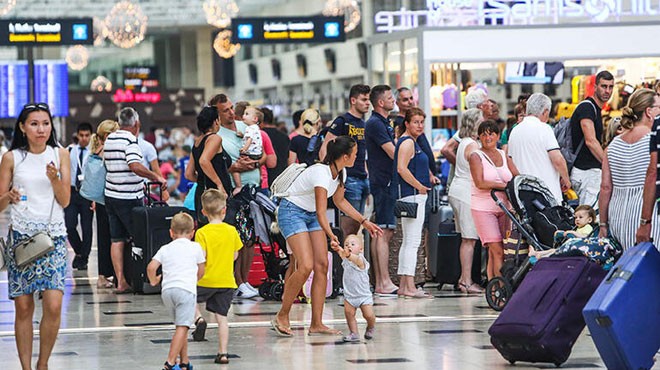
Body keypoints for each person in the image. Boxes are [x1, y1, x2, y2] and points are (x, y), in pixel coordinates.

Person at [271, 136, 382, 337]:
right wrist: (331, 235)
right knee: (305, 265)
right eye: (355, 154)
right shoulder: (321, 174)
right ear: (346, 156)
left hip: (311, 214)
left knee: (322, 265)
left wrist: (364, 221)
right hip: (292, 211)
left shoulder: (341, 173)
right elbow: (323, 213)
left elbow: (340, 202)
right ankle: (282, 315)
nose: (357, 157)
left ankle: (316, 323)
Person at [0, 102, 71, 370]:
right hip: (22, 239)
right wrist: (8, 196)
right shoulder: (11, 157)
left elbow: (65, 200)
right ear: (22, 127)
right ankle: (26, 367)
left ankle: (43, 363)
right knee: (24, 308)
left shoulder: (60, 153)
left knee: (53, 304)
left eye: (45, 123)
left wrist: (54, 179)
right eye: (34, 124)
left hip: (53, 238)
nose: (41, 129)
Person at [104, 107, 166, 294]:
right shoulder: (131, 141)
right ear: (136, 124)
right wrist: (156, 176)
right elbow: (135, 166)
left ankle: (121, 281)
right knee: (140, 238)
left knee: (116, 239)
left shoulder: (109, 139)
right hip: (129, 197)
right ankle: (144, 280)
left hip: (110, 195)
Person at [209, 93, 264, 299]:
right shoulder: (217, 136)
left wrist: (255, 163)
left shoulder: (246, 127)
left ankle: (245, 280)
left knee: (250, 237)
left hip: (253, 188)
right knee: (237, 239)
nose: (232, 113)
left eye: (232, 108)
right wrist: (236, 166)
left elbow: (265, 154)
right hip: (234, 191)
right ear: (217, 115)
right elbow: (220, 165)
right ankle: (235, 280)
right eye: (225, 110)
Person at [597, 89, 660, 250]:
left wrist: (603, 224)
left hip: (617, 216)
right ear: (649, 112)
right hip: (646, 216)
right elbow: (652, 176)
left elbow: (605, 188)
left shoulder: (613, 146)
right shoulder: (653, 142)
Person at [147, 212, 205, 370]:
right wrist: (195, 280)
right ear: (193, 232)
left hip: (167, 292)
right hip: (185, 290)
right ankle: (170, 362)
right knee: (183, 326)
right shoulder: (195, 247)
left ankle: (184, 361)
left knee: (180, 325)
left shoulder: (165, 248)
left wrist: (154, 281)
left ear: (171, 232)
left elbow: (151, 267)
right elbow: (201, 270)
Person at [192, 189, 242, 365]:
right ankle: (223, 353)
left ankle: (198, 318)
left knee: (190, 298)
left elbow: (201, 257)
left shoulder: (202, 233)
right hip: (226, 280)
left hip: (205, 279)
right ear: (224, 210)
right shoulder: (231, 231)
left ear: (203, 212)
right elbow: (236, 256)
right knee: (222, 318)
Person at [470, 120, 519, 280]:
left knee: (499, 251)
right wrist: (503, 186)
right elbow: (480, 182)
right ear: (479, 137)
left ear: (498, 136)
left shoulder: (504, 155)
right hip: (483, 208)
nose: (487, 137)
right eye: (483, 134)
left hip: (504, 208)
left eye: (491, 133)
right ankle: (501, 288)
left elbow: (516, 176)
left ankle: (493, 287)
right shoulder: (476, 156)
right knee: (496, 249)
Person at [320, 84, 371, 238]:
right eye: (363, 99)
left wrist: (367, 174)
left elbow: (363, 153)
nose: (367, 103)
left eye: (368, 99)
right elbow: (325, 148)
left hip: (362, 178)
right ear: (353, 100)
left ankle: (351, 259)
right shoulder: (343, 121)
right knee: (348, 227)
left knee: (357, 227)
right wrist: (331, 175)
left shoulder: (363, 124)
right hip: (349, 179)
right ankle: (344, 259)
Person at [393, 107, 434, 298]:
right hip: (413, 195)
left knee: (408, 241)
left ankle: (404, 284)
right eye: (415, 122)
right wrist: (419, 186)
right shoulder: (408, 143)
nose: (419, 125)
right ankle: (409, 286)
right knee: (412, 242)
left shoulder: (410, 142)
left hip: (412, 195)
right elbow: (402, 169)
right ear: (407, 124)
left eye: (421, 122)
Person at [364, 85, 399, 296]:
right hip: (383, 181)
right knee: (383, 231)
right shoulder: (375, 124)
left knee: (387, 230)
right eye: (389, 97)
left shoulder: (383, 123)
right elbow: (392, 152)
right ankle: (383, 281)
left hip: (386, 180)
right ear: (380, 102)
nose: (392, 99)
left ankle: (383, 281)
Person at [508, 93, 571, 204]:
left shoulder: (515, 131)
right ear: (545, 112)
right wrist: (566, 179)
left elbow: (510, 161)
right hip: (547, 194)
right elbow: (557, 159)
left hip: (524, 195)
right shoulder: (544, 129)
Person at [447, 108, 484, 294]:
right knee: (469, 239)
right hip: (466, 193)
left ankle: (463, 278)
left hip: (457, 190)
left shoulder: (464, 143)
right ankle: (467, 281)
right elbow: (480, 169)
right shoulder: (473, 146)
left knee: (465, 238)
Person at [570, 70, 614, 207]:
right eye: (603, 86)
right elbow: (590, 141)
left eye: (611, 87)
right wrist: (608, 165)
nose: (607, 91)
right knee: (589, 218)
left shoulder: (595, 109)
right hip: (586, 172)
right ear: (595, 87)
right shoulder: (587, 108)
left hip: (589, 173)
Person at [185, 106, 233, 224]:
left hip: (202, 192)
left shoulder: (197, 141)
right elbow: (204, 161)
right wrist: (219, 184)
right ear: (216, 121)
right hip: (216, 196)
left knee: (205, 230)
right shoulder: (214, 138)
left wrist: (202, 180)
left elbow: (189, 174)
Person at [90, 119, 119, 289]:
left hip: (102, 199)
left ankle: (105, 274)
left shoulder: (96, 151)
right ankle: (105, 275)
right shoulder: (105, 152)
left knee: (105, 236)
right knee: (112, 237)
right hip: (108, 197)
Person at [330, 234, 376, 342]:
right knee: (349, 314)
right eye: (346, 244)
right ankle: (354, 332)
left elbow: (354, 259)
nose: (349, 246)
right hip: (350, 295)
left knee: (368, 315)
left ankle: (371, 326)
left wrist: (349, 255)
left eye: (352, 244)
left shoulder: (361, 260)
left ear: (360, 249)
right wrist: (337, 248)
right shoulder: (346, 258)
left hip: (363, 295)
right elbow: (342, 253)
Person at [65, 122, 94, 271]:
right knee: (69, 225)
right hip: (72, 192)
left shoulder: (94, 153)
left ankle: (84, 257)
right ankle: (80, 253)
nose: (84, 138)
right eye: (81, 135)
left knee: (87, 226)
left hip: (87, 193)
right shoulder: (69, 150)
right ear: (77, 135)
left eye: (87, 135)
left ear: (91, 136)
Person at [260, 106, 290, 187]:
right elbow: (287, 158)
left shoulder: (260, 136)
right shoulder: (284, 136)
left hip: (266, 179)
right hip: (281, 179)